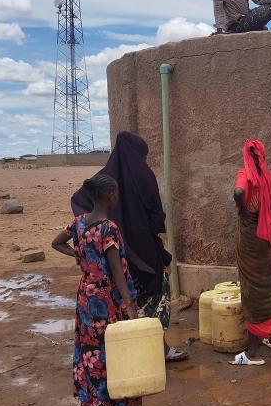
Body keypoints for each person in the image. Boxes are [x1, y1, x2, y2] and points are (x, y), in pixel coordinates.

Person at [71, 131, 188, 362]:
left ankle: (129, 353)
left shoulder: (105, 176)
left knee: (118, 303)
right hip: (144, 253)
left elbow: (79, 200)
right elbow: (156, 220)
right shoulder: (144, 175)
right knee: (155, 299)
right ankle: (157, 351)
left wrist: (90, 240)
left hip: (112, 254)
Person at [51, 173, 140, 406]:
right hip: (106, 299)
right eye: (116, 193)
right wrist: (130, 306)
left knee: (88, 352)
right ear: (109, 196)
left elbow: (56, 243)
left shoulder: (78, 224)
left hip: (85, 296)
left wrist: (77, 253)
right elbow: (117, 273)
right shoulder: (108, 228)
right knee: (105, 354)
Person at [229, 138, 271, 366]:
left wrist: (242, 207)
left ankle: (252, 353)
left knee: (253, 293)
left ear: (246, 157)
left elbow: (238, 192)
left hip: (251, 243)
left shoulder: (244, 175)